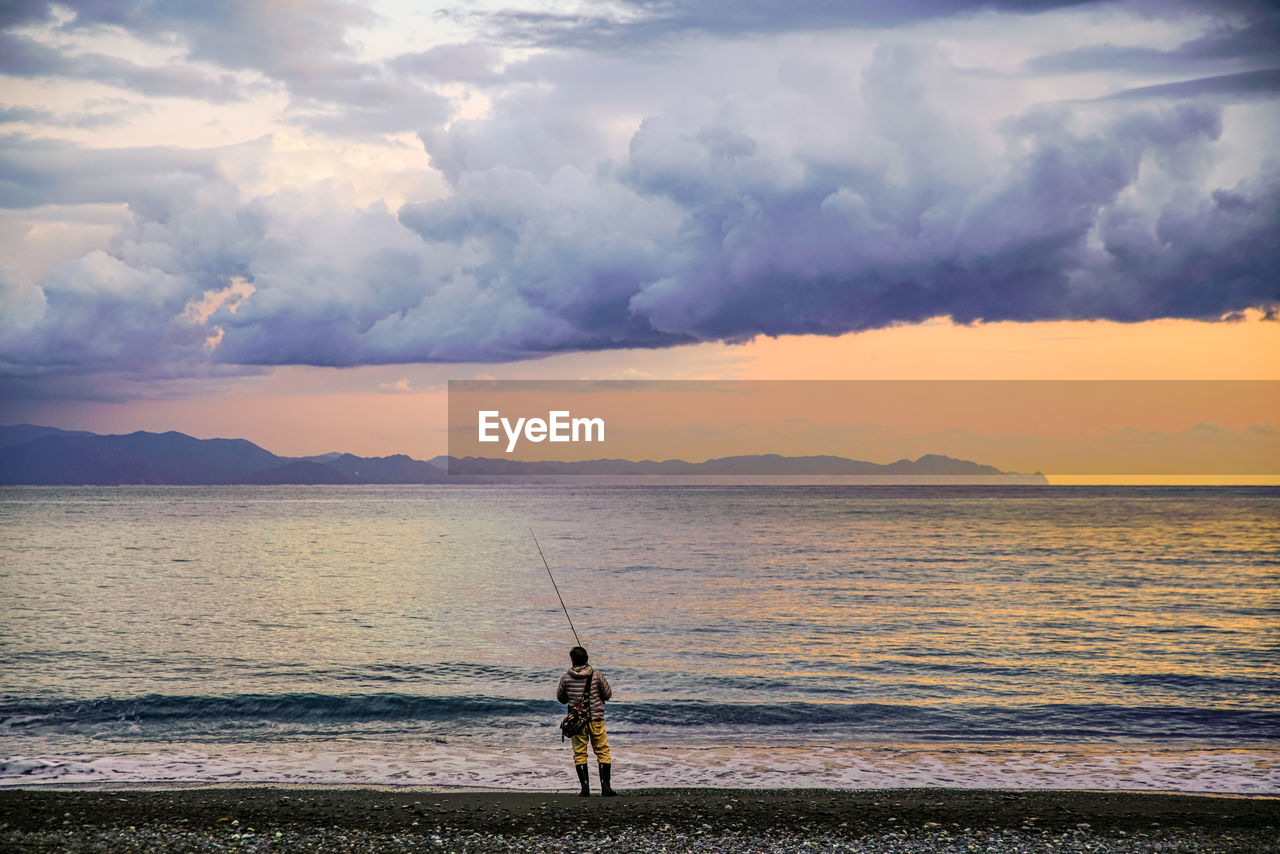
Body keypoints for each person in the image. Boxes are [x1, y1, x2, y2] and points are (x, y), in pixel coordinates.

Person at [555, 645, 616, 796]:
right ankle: (605, 787)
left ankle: (585, 788)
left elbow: (561, 699)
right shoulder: (596, 675)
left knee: (580, 754)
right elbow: (608, 694)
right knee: (602, 751)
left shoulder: (566, 678)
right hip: (596, 720)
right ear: (587, 658)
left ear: (572, 661)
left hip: (577, 722)